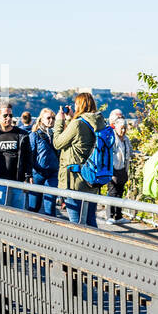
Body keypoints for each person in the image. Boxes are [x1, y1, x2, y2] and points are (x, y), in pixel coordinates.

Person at [53, 92, 102, 227]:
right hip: (92, 179)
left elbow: (57, 143)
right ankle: (96, 246)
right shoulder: (99, 122)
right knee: (91, 221)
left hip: (75, 181)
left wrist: (59, 121)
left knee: (76, 224)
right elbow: (77, 141)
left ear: (79, 105)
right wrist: (70, 119)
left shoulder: (77, 124)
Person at [0, 101, 33, 208]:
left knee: (18, 215)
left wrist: (28, 176)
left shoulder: (22, 135)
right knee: (2, 213)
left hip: (18, 182)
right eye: (5, 115)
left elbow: (28, 157)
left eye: (10, 115)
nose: (8, 118)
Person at [27, 109, 59, 215]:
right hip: (38, 173)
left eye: (53, 118)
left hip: (53, 173)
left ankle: (51, 229)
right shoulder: (34, 135)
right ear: (41, 120)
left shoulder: (55, 135)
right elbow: (30, 155)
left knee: (50, 207)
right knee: (34, 206)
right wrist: (29, 175)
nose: (51, 120)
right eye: (48, 118)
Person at [106, 114, 132, 222]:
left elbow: (129, 151)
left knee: (120, 192)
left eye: (125, 128)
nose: (123, 130)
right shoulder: (112, 138)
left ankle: (118, 216)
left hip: (122, 169)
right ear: (116, 127)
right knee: (112, 192)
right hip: (112, 169)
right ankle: (110, 216)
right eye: (121, 128)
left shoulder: (126, 140)